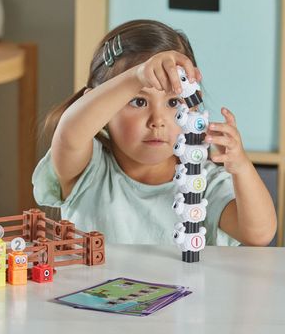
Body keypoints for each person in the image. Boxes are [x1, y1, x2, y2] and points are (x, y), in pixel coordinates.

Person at [32, 19, 277, 246]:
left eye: (172, 103)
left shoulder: (201, 182)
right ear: (100, 107)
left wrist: (242, 167)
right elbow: (70, 133)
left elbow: (259, 234)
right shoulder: (89, 171)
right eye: (138, 102)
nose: (157, 121)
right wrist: (137, 76)